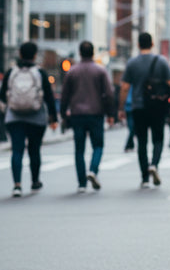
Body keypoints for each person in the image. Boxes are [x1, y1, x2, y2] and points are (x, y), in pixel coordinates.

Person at [118, 32, 170, 187]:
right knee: (158, 138)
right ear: (152, 44)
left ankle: (144, 178)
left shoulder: (132, 63)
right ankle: (154, 165)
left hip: (138, 107)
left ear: (138, 45)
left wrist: (121, 108)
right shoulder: (162, 62)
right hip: (157, 106)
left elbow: (124, 88)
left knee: (142, 142)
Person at [0, 41, 58, 197]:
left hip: (14, 117)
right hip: (36, 117)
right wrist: (53, 117)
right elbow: (49, 97)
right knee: (34, 150)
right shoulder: (40, 72)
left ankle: (17, 185)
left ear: (20, 54)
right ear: (34, 55)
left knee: (16, 151)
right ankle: (34, 180)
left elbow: (3, 95)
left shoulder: (11, 71)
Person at [60, 41, 115, 192]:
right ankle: (92, 170)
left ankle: (82, 184)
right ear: (93, 53)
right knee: (98, 146)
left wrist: (63, 113)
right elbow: (109, 94)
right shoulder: (100, 71)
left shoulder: (72, 71)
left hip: (77, 114)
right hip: (96, 114)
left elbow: (64, 96)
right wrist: (111, 114)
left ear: (79, 53)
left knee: (79, 149)